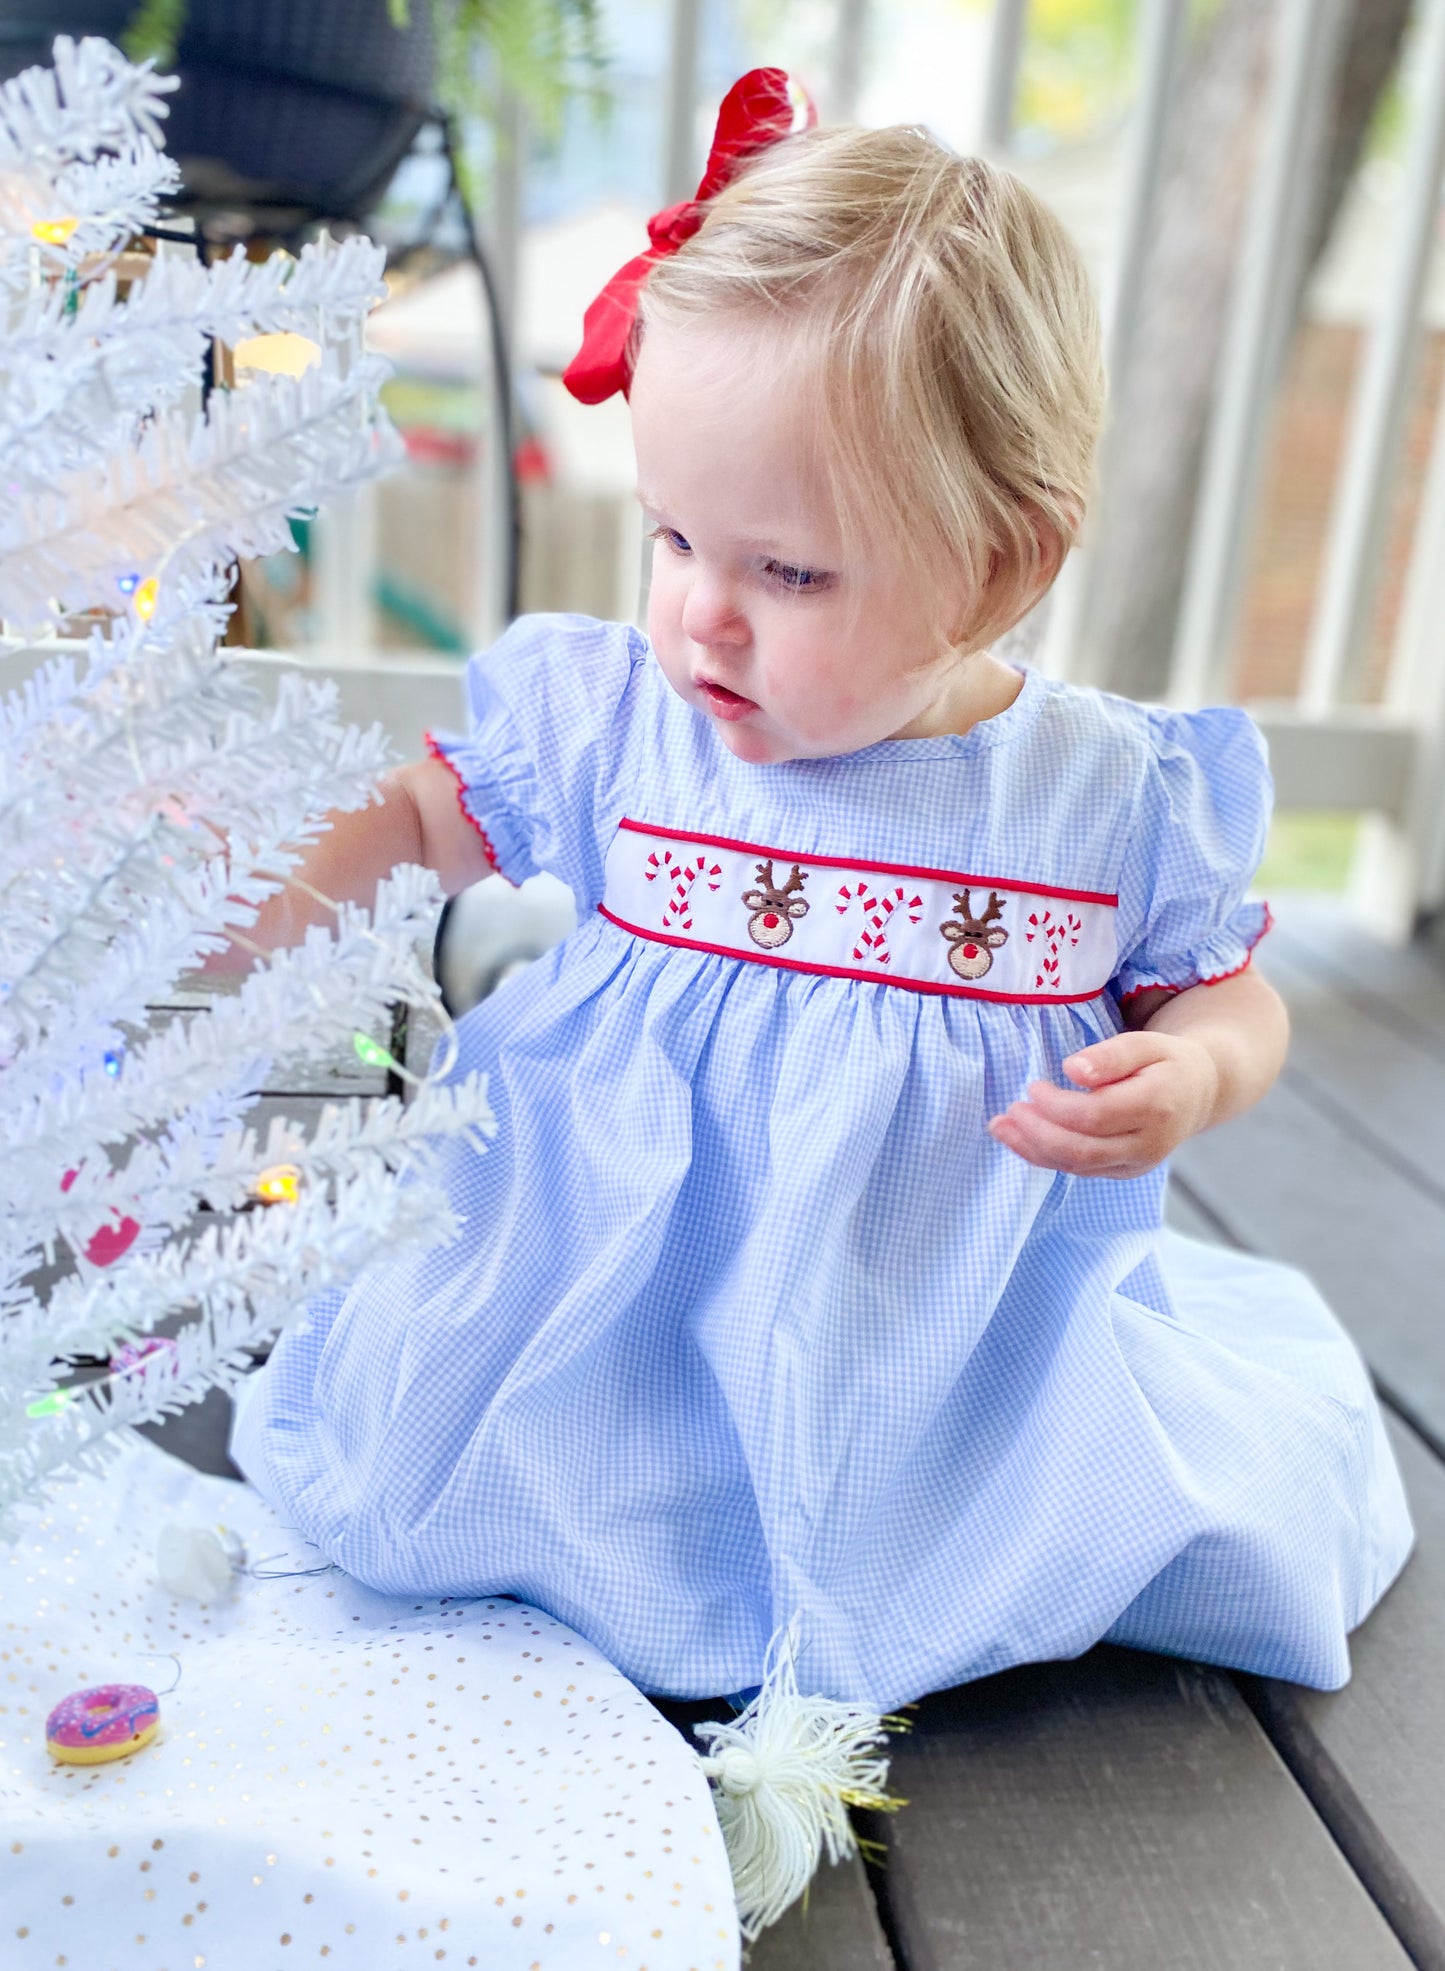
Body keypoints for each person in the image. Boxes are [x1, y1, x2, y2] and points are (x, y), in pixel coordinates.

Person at [230, 71, 1412, 1717]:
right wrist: (264, 892)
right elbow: (432, 809)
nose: (702, 617)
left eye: (785, 571)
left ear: (997, 566)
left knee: (1033, 1513)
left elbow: (1222, 989)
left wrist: (1198, 1069)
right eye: (670, 538)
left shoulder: (1094, 796)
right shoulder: (626, 720)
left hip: (927, 1345)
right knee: (489, 1469)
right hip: (605, 1301)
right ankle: (607, 1506)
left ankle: (888, 1544)